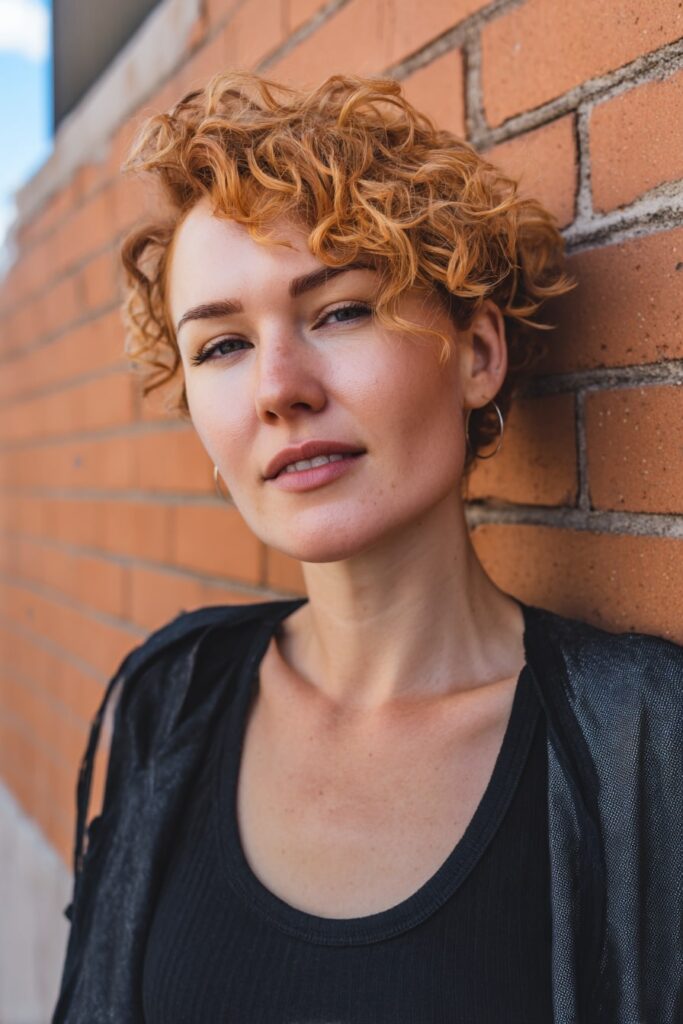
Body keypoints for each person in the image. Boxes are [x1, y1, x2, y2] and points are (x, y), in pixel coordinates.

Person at [52, 72, 682, 1024]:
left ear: (476, 355)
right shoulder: (169, 697)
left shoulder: (642, 743)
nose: (277, 388)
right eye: (220, 346)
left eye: (340, 310)